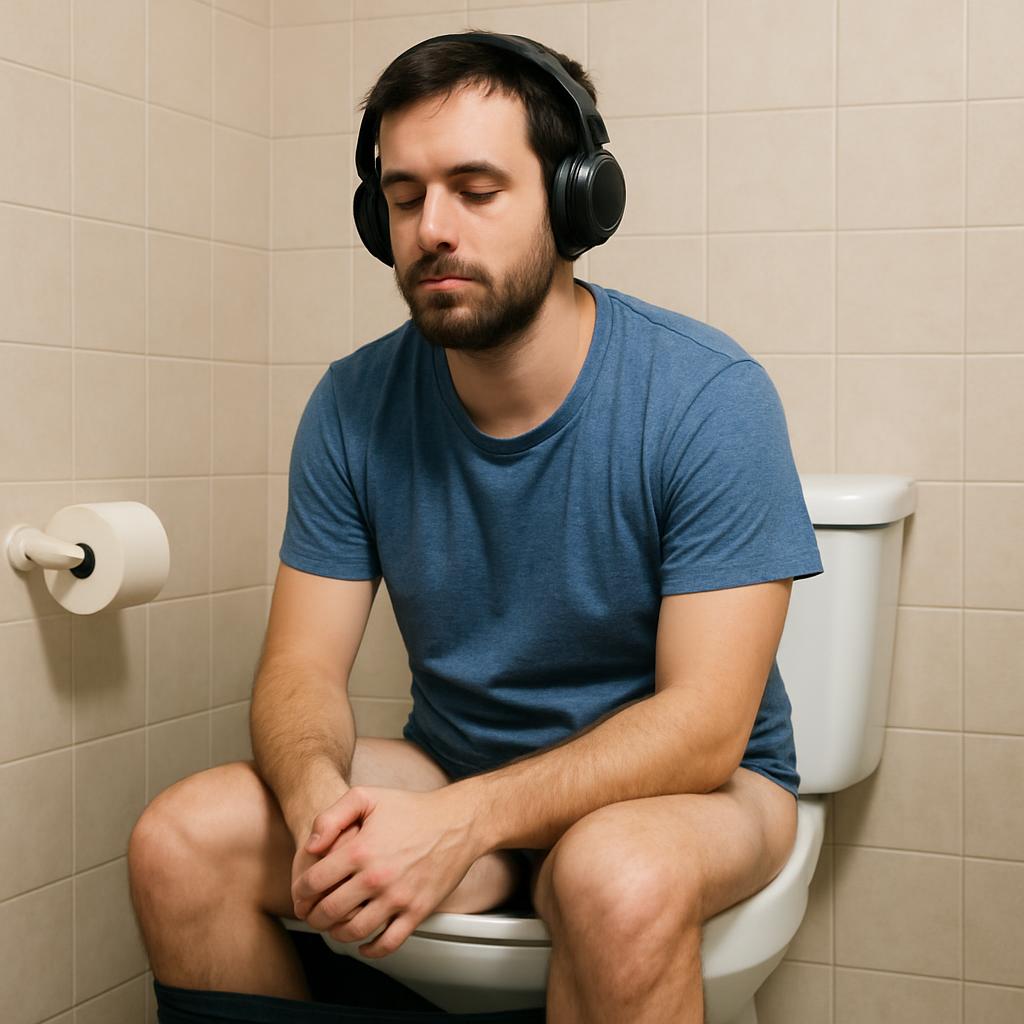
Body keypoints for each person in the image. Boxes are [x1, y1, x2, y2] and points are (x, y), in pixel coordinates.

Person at [128, 30, 823, 1024]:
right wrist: (316, 800)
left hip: (698, 798)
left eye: (476, 189)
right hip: (458, 763)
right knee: (180, 838)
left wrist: (458, 823)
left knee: (611, 875)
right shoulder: (352, 404)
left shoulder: (706, 395)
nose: (431, 229)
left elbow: (705, 728)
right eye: (405, 197)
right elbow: (299, 674)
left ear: (577, 200)